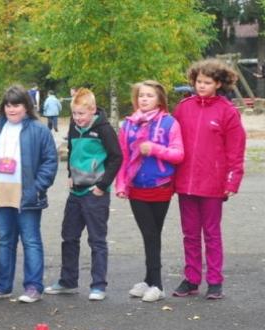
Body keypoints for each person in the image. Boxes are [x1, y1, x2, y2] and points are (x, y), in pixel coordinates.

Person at [171, 59, 246, 300]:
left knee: (212, 234)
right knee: (189, 234)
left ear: (218, 83)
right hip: (185, 183)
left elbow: (236, 150)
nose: (201, 86)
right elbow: (172, 142)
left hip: (213, 185)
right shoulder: (183, 108)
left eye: (207, 82)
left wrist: (232, 181)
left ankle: (215, 281)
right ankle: (192, 278)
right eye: (198, 81)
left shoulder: (228, 112)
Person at [0, 85, 58, 303]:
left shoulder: (39, 129)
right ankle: (2, 286)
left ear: (26, 106)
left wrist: (37, 188)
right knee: (5, 240)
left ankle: (33, 287)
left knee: (31, 240)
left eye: (17, 105)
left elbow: (50, 162)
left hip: (27, 195)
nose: (12, 109)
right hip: (2, 192)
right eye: (8, 105)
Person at [44, 88, 122, 301]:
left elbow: (116, 158)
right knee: (69, 237)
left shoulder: (104, 129)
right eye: (75, 114)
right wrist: (70, 174)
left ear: (93, 110)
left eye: (82, 114)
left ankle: (98, 285)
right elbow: (71, 149)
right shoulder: (73, 126)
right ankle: (68, 281)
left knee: (97, 240)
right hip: (75, 191)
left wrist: (102, 185)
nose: (78, 118)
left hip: (95, 193)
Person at [115, 81, 184, 302]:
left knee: (152, 235)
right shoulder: (128, 125)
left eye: (150, 96)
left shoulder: (169, 122)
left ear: (159, 99)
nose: (144, 99)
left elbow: (178, 154)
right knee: (149, 235)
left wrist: (153, 149)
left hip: (161, 186)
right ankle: (149, 280)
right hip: (136, 188)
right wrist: (121, 184)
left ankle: (157, 285)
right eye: (141, 95)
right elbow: (123, 156)